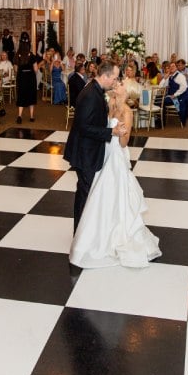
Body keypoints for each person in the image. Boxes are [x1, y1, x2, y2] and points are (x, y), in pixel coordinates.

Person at [69, 79, 161, 268]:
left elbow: (123, 143)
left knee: (115, 193)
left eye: (120, 85)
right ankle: (99, 231)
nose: (116, 85)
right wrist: (110, 128)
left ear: (126, 92)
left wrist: (119, 132)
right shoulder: (109, 103)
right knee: (99, 194)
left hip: (116, 156)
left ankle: (115, 234)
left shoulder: (127, 112)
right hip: (104, 152)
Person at [64, 61, 128, 233]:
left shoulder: (96, 90)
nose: (115, 82)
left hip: (89, 150)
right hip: (84, 153)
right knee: (85, 194)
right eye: (114, 78)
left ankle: (84, 232)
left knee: (88, 193)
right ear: (105, 76)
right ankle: (79, 234)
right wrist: (111, 132)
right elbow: (84, 127)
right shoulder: (90, 94)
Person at [14, 35, 42, 123]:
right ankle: (31, 116)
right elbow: (36, 70)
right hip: (30, 78)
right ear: (28, 44)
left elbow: (15, 69)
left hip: (21, 77)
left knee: (21, 95)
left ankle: (19, 116)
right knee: (31, 96)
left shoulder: (17, 55)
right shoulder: (32, 56)